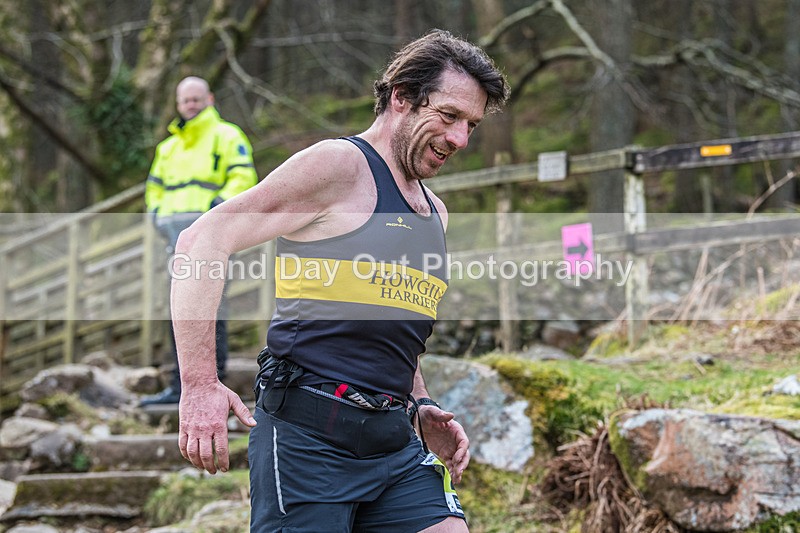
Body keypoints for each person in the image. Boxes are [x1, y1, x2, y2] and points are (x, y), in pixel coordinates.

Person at [172, 30, 508, 532]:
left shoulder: (434, 211)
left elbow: (393, 326)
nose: (459, 139)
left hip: (394, 443)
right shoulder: (339, 166)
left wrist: (420, 402)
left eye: (471, 126)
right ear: (401, 98)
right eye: (449, 116)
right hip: (309, 438)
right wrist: (198, 384)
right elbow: (202, 239)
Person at [141, 76, 258, 405]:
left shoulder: (227, 135)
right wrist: (157, 216)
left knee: (210, 308)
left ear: (209, 98)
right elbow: (154, 190)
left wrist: (215, 211)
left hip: (212, 237)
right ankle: (179, 385)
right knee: (177, 308)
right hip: (174, 239)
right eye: (185, 100)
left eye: (196, 98)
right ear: (177, 103)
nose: (190, 104)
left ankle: (213, 382)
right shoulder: (168, 147)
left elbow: (242, 178)